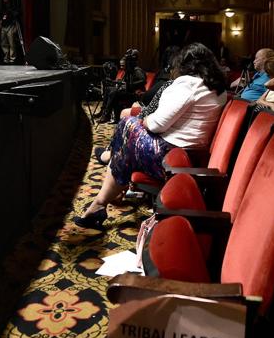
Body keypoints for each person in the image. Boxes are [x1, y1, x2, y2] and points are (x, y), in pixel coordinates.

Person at [74, 43, 228, 229]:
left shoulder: (189, 84)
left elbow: (156, 124)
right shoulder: (217, 87)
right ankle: (103, 196)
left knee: (127, 124)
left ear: (185, 64)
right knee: (128, 136)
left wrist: (145, 120)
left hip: (170, 158)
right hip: (191, 155)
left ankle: (103, 193)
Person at [98, 49, 146, 123]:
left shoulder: (137, 70)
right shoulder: (129, 70)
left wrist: (129, 85)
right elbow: (125, 83)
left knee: (114, 93)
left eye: (127, 61)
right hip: (128, 91)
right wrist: (120, 83)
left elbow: (143, 81)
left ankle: (107, 115)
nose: (126, 62)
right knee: (108, 89)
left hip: (135, 94)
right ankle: (104, 111)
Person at [0, 0, 21, 64]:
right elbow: (1, 19)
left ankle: (12, 58)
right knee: (3, 43)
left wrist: (15, 28)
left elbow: (17, 16)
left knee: (11, 43)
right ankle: (6, 57)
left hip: (11, 26)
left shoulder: (13, 7)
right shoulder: (2, 8)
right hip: (3, 27)